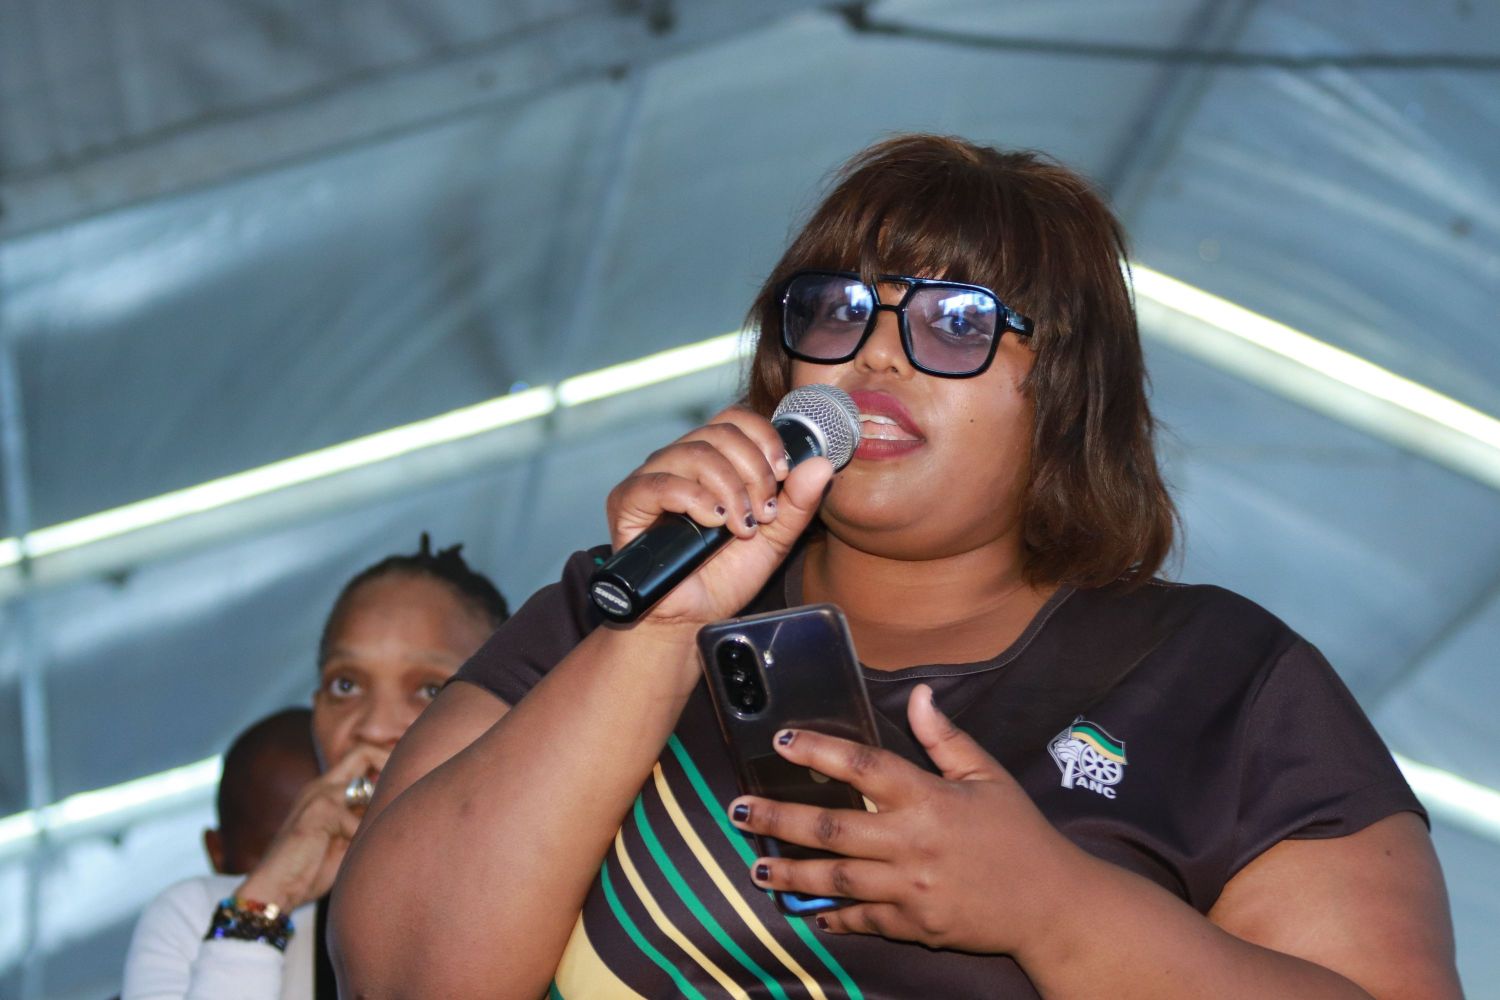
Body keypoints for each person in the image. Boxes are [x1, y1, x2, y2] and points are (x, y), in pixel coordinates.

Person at [332, 136, 1461, 998]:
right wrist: (659, 634)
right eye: (835, 310)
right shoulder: (615, 604)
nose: (874, 352)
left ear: (1070, 389)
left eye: (957, 321)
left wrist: (1056, 911)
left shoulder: (1223, 679)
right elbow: (400, 973)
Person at [122, 536, 506, 1000]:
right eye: (346, 685)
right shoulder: (201, 919)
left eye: (429, 689)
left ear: (509, 709)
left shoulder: (571, 900)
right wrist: (262, 909)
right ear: (316, 707)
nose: (374, 727)